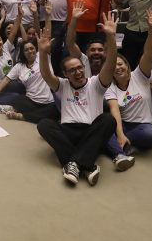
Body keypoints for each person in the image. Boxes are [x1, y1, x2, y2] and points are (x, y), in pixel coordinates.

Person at [36, 12, 119, 186]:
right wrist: (43, 53)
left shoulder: (96, 83)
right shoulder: (63, 85)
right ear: (66, 74)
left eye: (80, 68)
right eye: (72, 70)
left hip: (91, 131)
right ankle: (87, 165)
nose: (78, 72)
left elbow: (110, 64)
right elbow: (46, 74)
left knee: (108, 120)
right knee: (44, 124)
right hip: (69, 131)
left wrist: (111, 38)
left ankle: (72, 163)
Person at [105, 10, 152, 171]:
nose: (118, 67)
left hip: (143, 126)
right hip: (123, 124)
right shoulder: (110, 86)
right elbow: (114, 110)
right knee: (104, 126)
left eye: (121, 63)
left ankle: (116, 145)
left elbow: (148, 52)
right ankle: (120, 154)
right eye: (114, 65)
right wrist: (121, 132)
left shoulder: (139, 75)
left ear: (127, 65)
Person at [0, 38, 58, 123]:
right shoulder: (19, 66)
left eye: (32, 48)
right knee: (17, 100)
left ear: (36, 49)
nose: (30, 51)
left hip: (48, 102)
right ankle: (36, 116)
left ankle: (23, 116)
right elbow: (6, 79)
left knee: (55, 111)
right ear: (23, 53)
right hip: (30, 101)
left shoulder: (42, 57)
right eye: (26, 50)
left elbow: (46, 48)